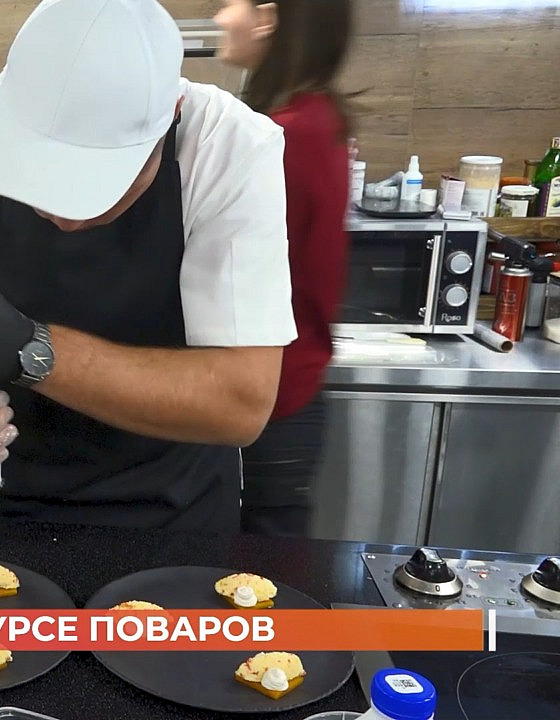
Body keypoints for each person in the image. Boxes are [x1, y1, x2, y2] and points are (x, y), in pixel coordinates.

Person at [0, 0, 297, 531]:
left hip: (173, 514)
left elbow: (241, 401)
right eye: (38, 174)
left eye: (101, 183)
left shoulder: (230, 149)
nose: (66, 217)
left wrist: (31, 348)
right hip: (1, 513)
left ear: (173, 114)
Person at [214, 0, 353, 536]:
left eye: (231, 3)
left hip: (270, 398)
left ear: (267, 18)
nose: (222, 18)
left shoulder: (283, 136)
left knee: (259, 573)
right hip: (289, 390)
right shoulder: (318, 117)